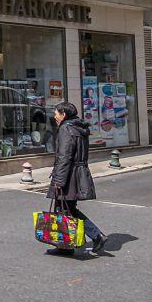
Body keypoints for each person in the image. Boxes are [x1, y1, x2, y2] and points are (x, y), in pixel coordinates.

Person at [47, 101, 107, 255]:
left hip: (69, 175)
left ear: (63, 114)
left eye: (56, 114)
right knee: (68, 209)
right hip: (77, 173)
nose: (55, 117)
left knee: (64, 209)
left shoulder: (66, 129)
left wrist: (59, 180)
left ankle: (94, 236)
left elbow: (64, 156)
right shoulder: (78, 127)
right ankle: (67, 245)